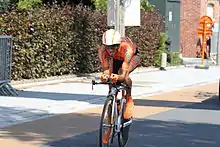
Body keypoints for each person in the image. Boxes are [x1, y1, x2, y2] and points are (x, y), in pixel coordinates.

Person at [98, 29, 141, 144]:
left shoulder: (127, 48)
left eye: (113, 47)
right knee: (111, 83)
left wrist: (119, 77)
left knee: (123, 74)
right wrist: (105, 76)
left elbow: (122, 74)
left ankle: (128, 100)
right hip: (117, 58)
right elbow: (106, 69)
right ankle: (109, 127)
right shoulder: (102, 51)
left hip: (131, 58)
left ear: (118, 45)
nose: (110, 50)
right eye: (108, 47)